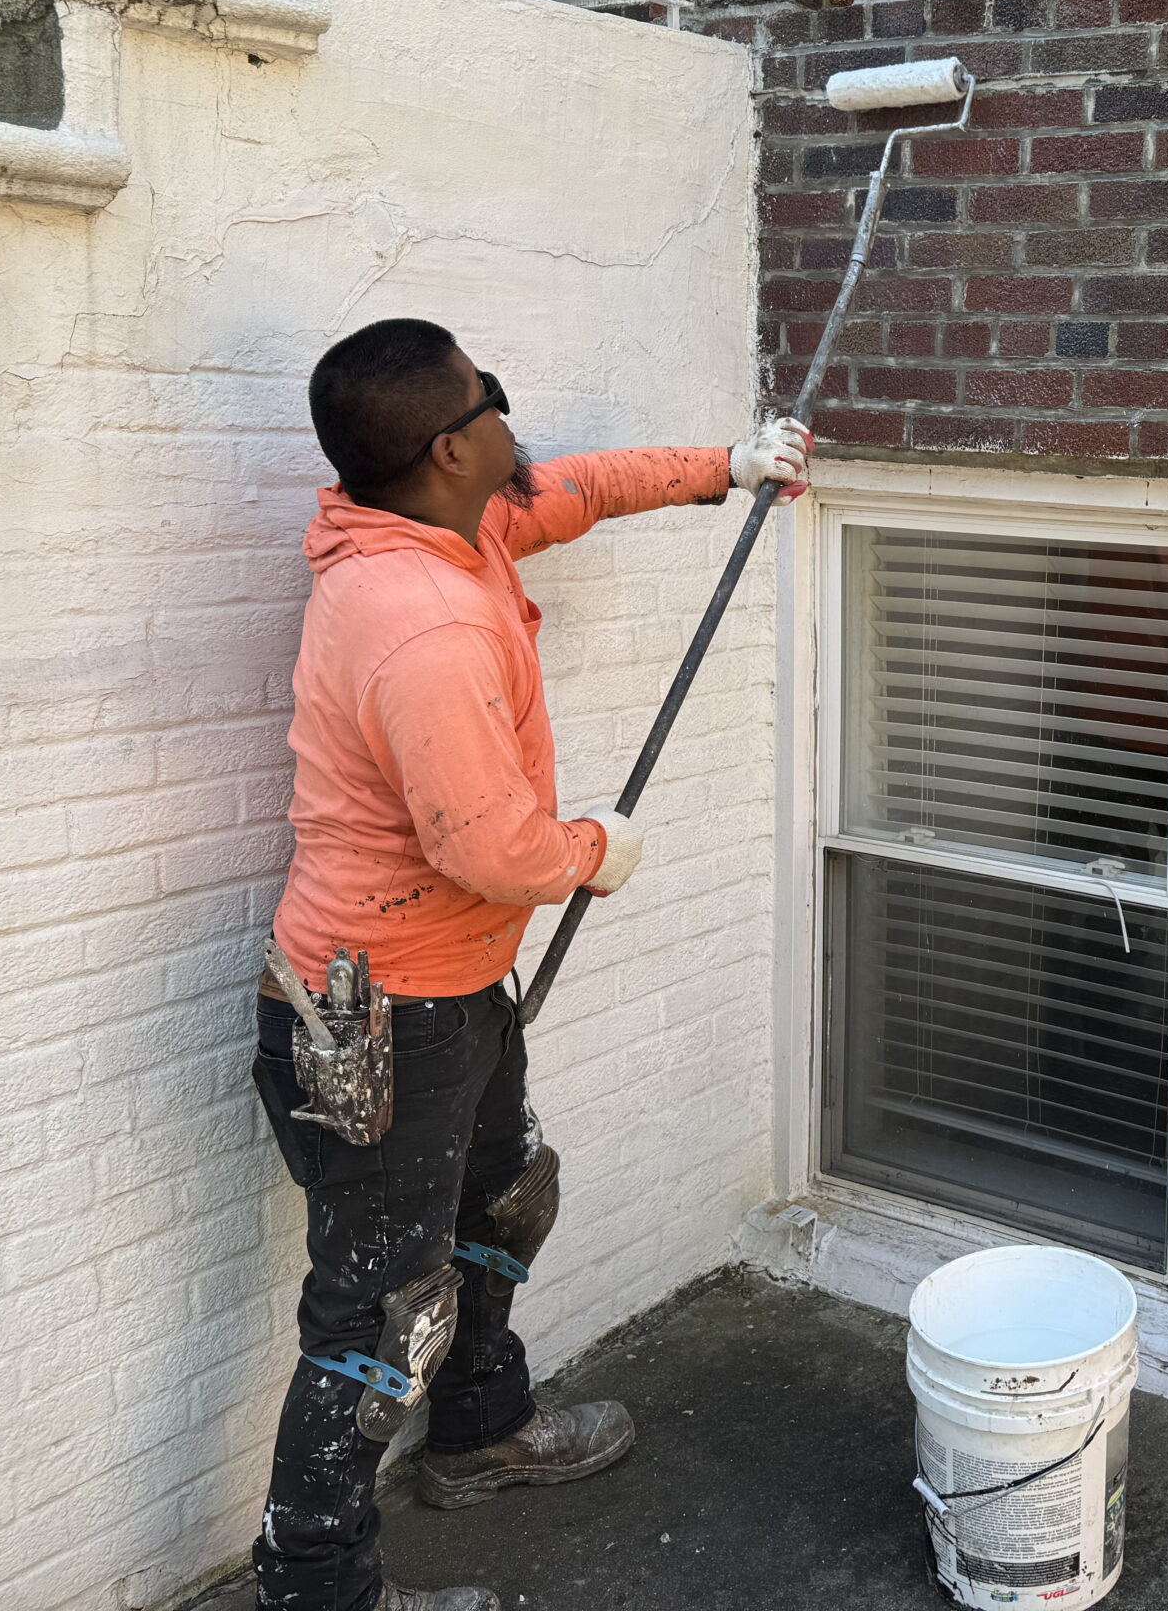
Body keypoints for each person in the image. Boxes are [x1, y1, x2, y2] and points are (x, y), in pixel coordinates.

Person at [250, 317, 810, 1611]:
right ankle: (317, 1587)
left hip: (450, 988)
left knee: (505, 1199)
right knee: (379, 1312)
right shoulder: (421, 625)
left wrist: (728, 466)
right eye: (490, 395)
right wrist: (593, 851)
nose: (511, 413)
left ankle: (481, 1434)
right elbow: (487, 847)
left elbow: (577, 489)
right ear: (452, 449)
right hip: (379, 1015)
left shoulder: (449, 525)